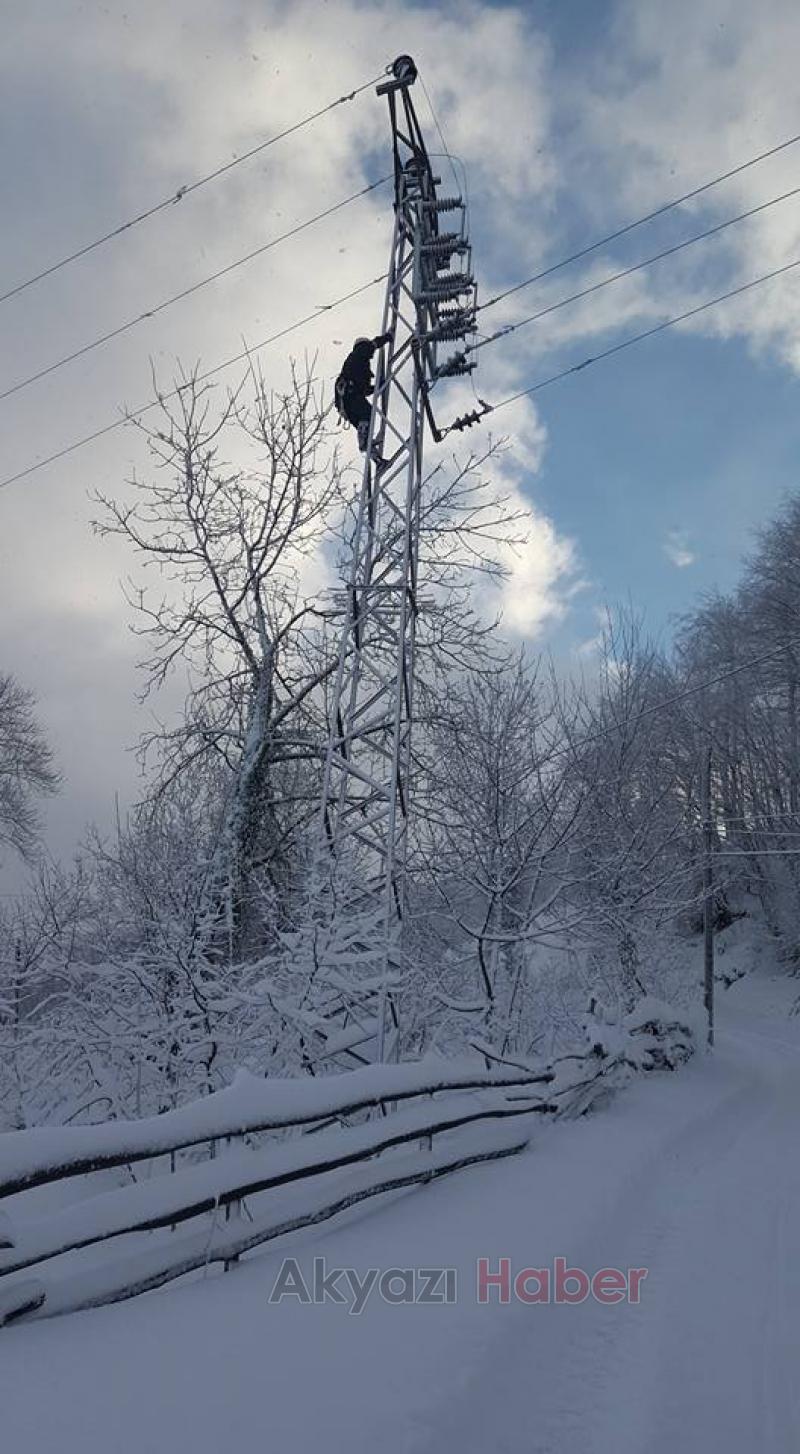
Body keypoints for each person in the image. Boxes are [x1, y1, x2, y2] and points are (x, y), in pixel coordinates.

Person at [335, 333, 393, 461]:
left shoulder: (359, 366)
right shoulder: (358, 355)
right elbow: (371, 345)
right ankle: (364, 443)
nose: (371, 354)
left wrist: (378, 387)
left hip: (347, 404)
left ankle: (376, 458)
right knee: (367, 413)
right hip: (349, 397)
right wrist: (386, 338)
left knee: (366, 424)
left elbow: (365, 390)